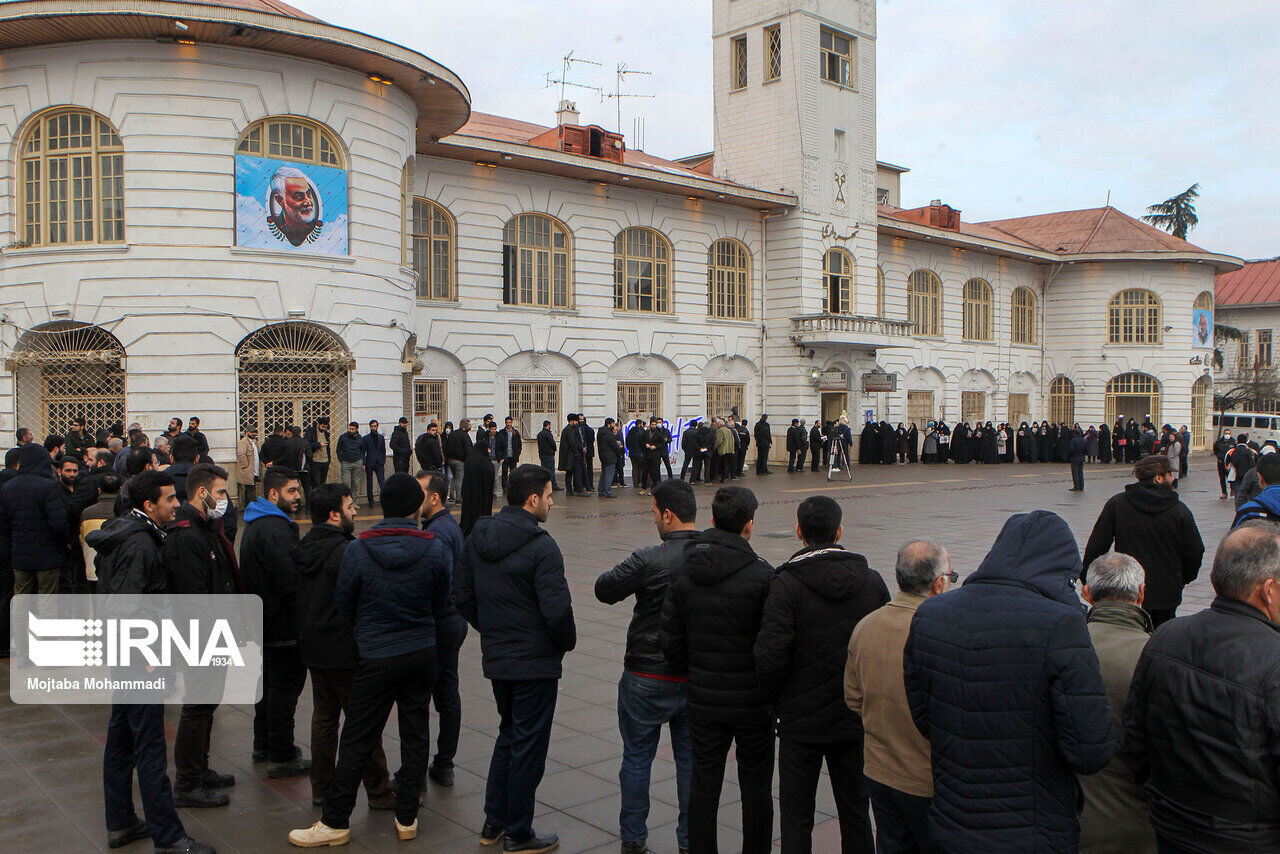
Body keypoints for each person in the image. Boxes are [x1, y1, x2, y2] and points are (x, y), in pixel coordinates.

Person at [903, 510, 1115, 852]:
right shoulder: (1061, 625)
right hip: (1032, 829)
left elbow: (924, 719)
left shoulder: (930, 614)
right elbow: (1091, 750)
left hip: (952, 821)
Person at [287, 474, 452, 848]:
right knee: (415, 733)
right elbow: (443, 602)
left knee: (358, 736)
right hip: (421, 651)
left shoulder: (360, 549)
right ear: (415, 507)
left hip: (376, 654)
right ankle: (407, 815)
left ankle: (335, 820)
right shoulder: (435, 547)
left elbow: (346, 603)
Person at [1122, 523, 1280, 854]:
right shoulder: (1273, 659)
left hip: (1173, 828)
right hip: (1249, 840)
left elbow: (1136, 741)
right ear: (1268, 590)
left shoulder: (1165, 636)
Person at [91, 471, 217, 854]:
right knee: (149, 747)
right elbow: (127, 605)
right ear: (149, 506)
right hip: (138, 659)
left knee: (121, 738)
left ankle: (122, 822)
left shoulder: (125, 533)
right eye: (169, 500)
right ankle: (169, 835)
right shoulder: (141, 545)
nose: (176, 504)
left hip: (124, 655)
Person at [755, 496, 888, 854]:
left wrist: (775, 701)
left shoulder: (785, 584)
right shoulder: (872, 581)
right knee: (856, 811)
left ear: (799, 532)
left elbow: (771, 655)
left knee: (796, 816)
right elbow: (883, 649)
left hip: (800, 721)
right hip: (854, 718)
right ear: (839, 531)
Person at [454, 464, 575, 852]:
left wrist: (490, 629)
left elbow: (462, 595)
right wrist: (563, 643)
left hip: (499, 656)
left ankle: (494, 822)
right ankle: (519, 832)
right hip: (535, 662)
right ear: (532, 499)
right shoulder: (542, 546)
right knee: (528, 746)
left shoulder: (477, 536)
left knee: (509, 734)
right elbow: (557, 612)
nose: (553, 503)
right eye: (550, 495)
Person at [660, 486, 774, 854]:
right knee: (756, 787)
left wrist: (690, 672)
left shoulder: (686, 569)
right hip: (752, 703)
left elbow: (670, 635)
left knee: (703, 782)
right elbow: (772, 643)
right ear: (749, 526)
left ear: (712, 520)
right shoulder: (762, 576)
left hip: (704, 697)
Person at [594, 479, 699, 854]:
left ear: (668, 515)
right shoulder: (712, 554)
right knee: (691, 763)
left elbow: (604, 588)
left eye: (654, 512)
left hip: (645, 674)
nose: (654, 519)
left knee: (637, 759)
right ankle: (690, 842)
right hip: (695, 677)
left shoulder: (649, 558)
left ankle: (633, 841)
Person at [292, 482, 397, 811]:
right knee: (362, 721)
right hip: (344, 649)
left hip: (313, 645)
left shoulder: (305, 546)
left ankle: (321, 788)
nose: (356, 511)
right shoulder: (345, 551)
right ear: (334, 515)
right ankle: (379, 790)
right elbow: (362, 600)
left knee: (324, 718)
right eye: (350, 507)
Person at [846, 540, 954, 854]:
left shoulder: (866, 626)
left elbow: (853, 698)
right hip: (925, 780)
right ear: (938, 584)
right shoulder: (942, 631)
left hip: (879, 771)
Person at [158, 463, 238, 809]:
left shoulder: (205, 527)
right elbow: (192, 597)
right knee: (197, 706)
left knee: (207, 705)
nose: (226, 500)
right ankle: (187, 782)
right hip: (200, 635)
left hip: (213, 631)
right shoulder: (187, 533)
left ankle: (201, 769)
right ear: (202, 492)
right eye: (221, 492)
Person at [1077, 552, 1157, 854]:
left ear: (1087, 593)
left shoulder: (1062, 644)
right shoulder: (1154, 654)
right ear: (1141, 593)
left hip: (1067, 816)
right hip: (1136, 827)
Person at [241, 467, 310, 777]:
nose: (298, 497)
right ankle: (281, 754)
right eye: (292, 491)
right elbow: (290, 580)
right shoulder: (274, 529)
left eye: (298, 490)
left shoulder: (259, 523)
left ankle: (264, 744)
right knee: (283, 689)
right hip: (280, 625)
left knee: (267, 686)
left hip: (264, 621)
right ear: (273, 494)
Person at [1082, 455, 1205, 627]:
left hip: (1127, 589)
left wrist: (1088, 580)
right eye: (1170, 474)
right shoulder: (1179, 510)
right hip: (1166, 591)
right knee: (1161, 638)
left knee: (1128, 635)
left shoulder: (1117, 504)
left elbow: (1096, 546)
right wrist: (1182, 578)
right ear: (1159, 478)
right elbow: (1195, 550)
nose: (1173, 478)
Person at [417, 470, 468, 787]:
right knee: (447, 693)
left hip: (440, 623)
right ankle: (443, 764)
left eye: (419, 491)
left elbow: (441, 580)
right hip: (452, 620)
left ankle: (426, 767)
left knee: (426, 696)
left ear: (434, 497)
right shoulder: (447, 525)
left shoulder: (438, 532)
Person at [0, 443, 69, 596]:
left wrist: (16, 538)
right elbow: (59, 522)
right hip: (48, 555)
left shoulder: (8, 487)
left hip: (20, 554)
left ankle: (18, 621)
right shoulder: (49, 487)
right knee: (47, 599)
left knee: (21, 597)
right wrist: (64, 542)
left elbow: (4, 523)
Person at [461, 434, 497, 536]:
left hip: (469, 494)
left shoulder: (470, 460)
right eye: (488, 449)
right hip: (483, 496)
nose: (489, 451)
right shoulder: (485, 463)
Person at [444, 417, 472, 502]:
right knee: (460, 479)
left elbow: (447, 447)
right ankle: (459, 498)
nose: (470, 426)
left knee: (454, 478)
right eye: (469, 425)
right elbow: (467, 450)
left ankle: (452, 495)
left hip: (450, 460)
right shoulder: (465, 436)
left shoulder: (453, 434)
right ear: (465, 426)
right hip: (460, 461)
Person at [559, 414, 587, 496]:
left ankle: (570, 490)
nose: (577, 423)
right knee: (576, 472)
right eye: (576, 421)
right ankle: (577, 490)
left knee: (569, 473)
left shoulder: (567, 429)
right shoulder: (569, 430)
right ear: (572, 421)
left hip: (570, 455)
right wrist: (577, 452)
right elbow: (572, 443)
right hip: (571, 456)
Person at [361, 420, 387, 507]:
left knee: (382, 482)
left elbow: (383, 450)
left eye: (375, 426)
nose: (373, 428)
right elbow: (363, 452)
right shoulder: (365, 438)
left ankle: (384, 500)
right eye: (372, 426)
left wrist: (383, 460)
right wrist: (363, 463)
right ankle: (371, 502)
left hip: (379, 462)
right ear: (370, 427)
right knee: (369, 483)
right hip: (370, 462)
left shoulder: (381, 437)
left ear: (377, 426)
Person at [494, 416, 523, 493]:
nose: (508, 424)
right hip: (505, 456)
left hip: (513, 456)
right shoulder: (501, 432)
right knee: (504, 472)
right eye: (507, 422)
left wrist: (517, 454)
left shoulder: (515, 433)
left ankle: (513, 487)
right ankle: (505, 488)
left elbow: (519, 445)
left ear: (512, 423)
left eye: (510, 422)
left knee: (513, 473)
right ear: (505, 423)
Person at [336, 422, 363, 501]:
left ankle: (353, 501)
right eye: (350, 428)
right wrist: (342, 460)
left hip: (357, 462)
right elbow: (338, 450)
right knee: (346, 483)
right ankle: (345, 501)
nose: (351, 430)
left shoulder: (360, 438)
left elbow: (362, 450)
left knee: (355, 484)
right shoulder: (343, 437)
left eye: (353, 429)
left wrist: (361, 461)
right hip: (346, 463)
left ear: (357, 429)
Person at [304, 417, 332, 489]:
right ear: (317, 424)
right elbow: (307, 444)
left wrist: (329, 460)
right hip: (315, 461)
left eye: (325, 427)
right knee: (316, 483)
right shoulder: (311, 433)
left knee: (323, 483)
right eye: (322, 427)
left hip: (325, 461)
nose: (324, 429)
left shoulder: (326, 434)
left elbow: (328, 448)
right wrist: (318, 444)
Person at [596, 417, 621, 498]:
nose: (614, 426)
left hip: (603, 456)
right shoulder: (608, 434)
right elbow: (614, 445)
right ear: (609, 424)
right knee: (609, 475)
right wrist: (618, 450)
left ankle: (601, 490)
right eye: (613, 424)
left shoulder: (600, 432)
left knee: (604, 474)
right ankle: (607, 492)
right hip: (610, 457)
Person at [236, 427, 260, 508]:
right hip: (248, 470)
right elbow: (241, 455)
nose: (253, 434)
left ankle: (247, 506)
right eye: (251, 432)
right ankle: (253, 507)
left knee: (249, 488)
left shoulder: (255, 442)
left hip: (255, 470)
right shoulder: (243, 442)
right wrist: (246, 466)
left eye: (254, 432)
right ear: (246, 432)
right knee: (251, 488)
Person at [535, 420, 559, 490]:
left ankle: (544, 485)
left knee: (544, 470)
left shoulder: (539, 434)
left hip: (542, 454)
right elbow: (553, 443)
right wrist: (554, 449)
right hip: (549, 454)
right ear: (548, 425)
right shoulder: (548, 434)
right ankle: (554, 485)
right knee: (551, 471)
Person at [1213, 428, 1234, 499]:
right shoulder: (1219, 442)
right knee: (1222, 478)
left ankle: (1232, 490)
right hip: (1221, 463)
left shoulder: (1233, 442)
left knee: (1230, 477)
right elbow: (1215, 450)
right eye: (1226, 433)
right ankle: (1224, 493)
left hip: (1229, 464)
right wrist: (1218, 456)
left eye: (1229, 433)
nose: (1227, 435)